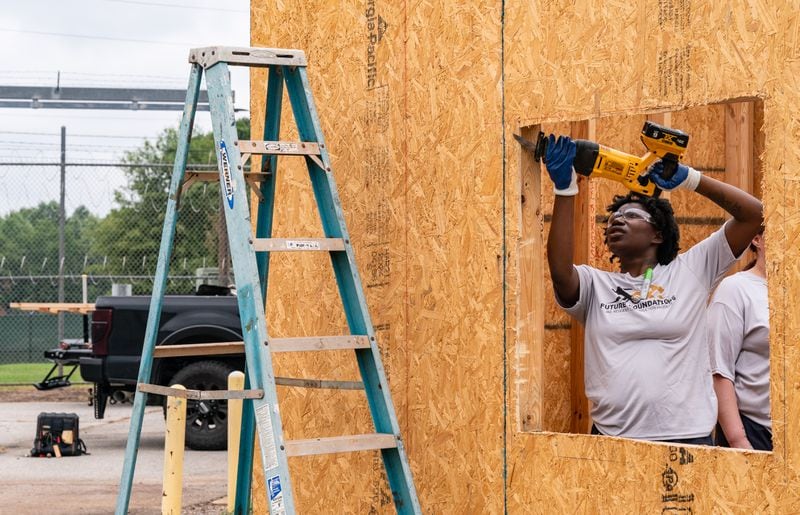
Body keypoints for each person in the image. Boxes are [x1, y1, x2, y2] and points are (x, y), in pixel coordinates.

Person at [540, 134, 763, 444]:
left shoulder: (691, 270)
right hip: (614, 442)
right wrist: (565, 189)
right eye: (614, 217)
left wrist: (690, 179)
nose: (617, 220)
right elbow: (560, 272)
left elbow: (753, 214)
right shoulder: (597, 285)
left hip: (688, 440)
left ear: (658, 234)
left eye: (631, 215)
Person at [709, 228, 771, 450]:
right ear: (757, 239)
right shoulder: (736, 290)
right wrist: (739, 442)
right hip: (756, 432)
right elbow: (719, 371)